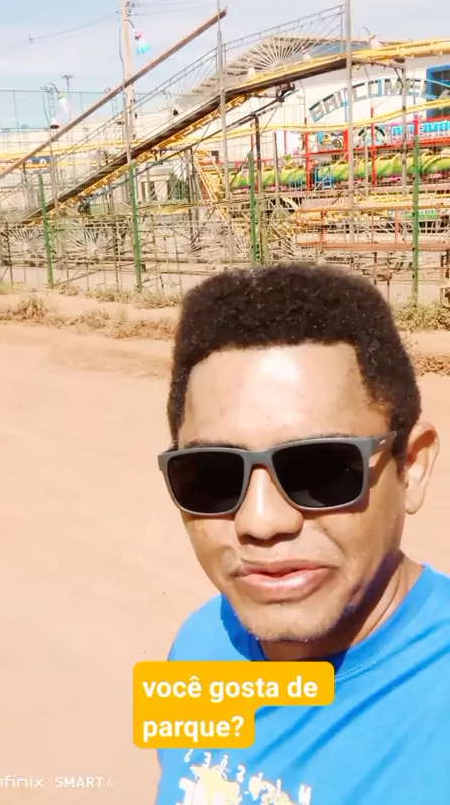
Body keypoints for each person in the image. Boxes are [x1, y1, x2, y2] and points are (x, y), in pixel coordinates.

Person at [155, 264, 450, 805]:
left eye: (321, 470)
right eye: (212, 475)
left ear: (412, 466)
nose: (261, 522)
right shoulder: (199, 644)